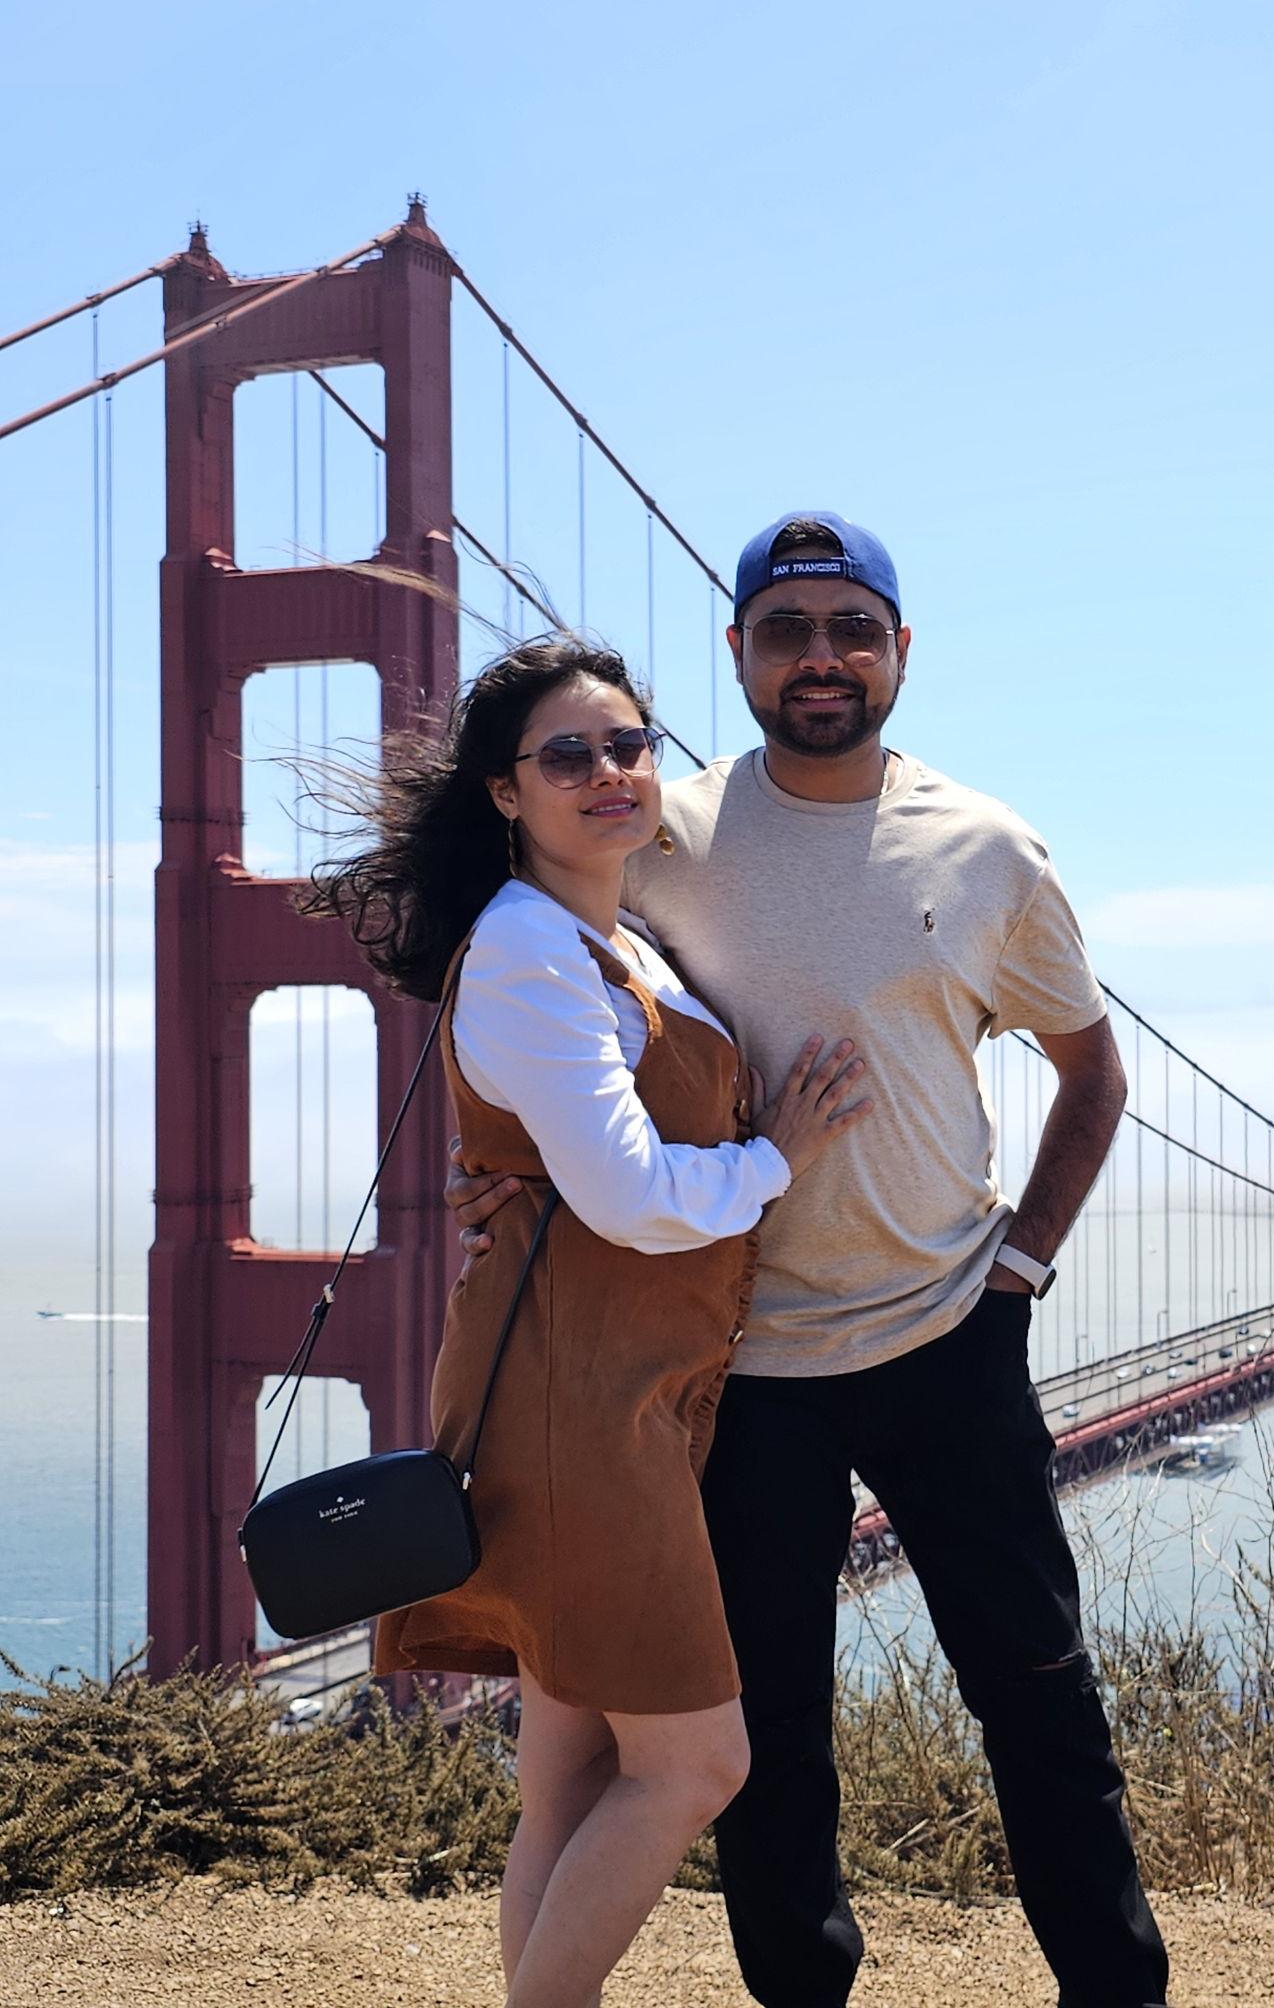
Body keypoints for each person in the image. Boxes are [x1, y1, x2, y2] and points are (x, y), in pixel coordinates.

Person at [451, 513, 1173, 2008]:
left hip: (945, 1342)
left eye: (853, 628)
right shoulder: (664, 833)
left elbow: (1093, 1079)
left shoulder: (989, 849)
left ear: (902, 651)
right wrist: (511, 1166)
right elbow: (553, 978)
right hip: (739, 1369)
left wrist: (1022, 1269)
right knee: (770, 1747)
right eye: (787, 632)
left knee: (1040, 1705)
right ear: (738, 658)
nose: (822, 658)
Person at [309, 636, 869, 2008]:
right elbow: (625, 1196)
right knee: (697, 1762)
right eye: (569, 754)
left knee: (569, 1769)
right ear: (505, 794)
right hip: (578, 1408)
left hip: (621, 1390)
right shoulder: (525, 955)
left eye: (628, 745)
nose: (611, 773)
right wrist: (778, 1157)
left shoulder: (607, 937)